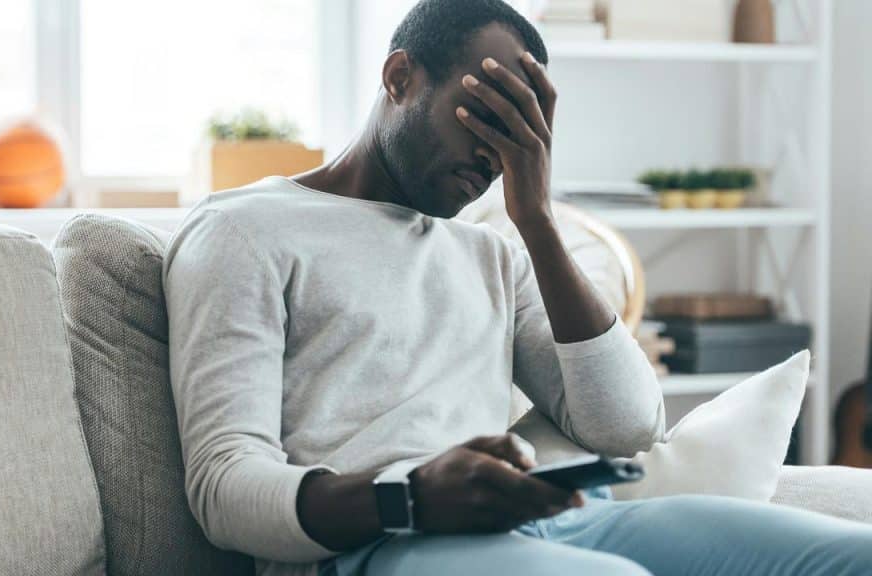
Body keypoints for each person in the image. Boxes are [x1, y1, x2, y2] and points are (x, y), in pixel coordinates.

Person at [163, 1, 872, 574]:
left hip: (543, 527)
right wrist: (409, 499)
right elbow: (223, 488)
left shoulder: (491, 252)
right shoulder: (246, 229)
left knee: (847, 553)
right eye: (488, 118)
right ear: (400, 77)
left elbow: (627, 425)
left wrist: (534, 220)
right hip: (379, 547)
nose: (496, 155)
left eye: (522, 133)